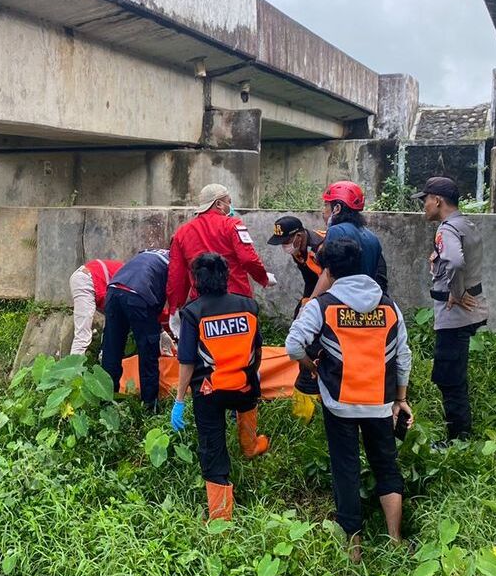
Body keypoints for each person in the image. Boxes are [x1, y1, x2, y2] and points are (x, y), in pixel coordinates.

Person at [285, 238, 413, 562]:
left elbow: (293, 344)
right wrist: (400, 399)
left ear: (328, 272)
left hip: (339, 403)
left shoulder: (322, 306)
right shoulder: (389, 306)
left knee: (346, 469)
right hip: (380, 403)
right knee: (386, 465)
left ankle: (353, 548)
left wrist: (311, 366)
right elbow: (403, 356)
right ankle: (395, 538)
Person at [169, 253, 269, 521]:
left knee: (212, 448)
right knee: (247, 406)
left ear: (196, 280)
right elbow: (258, 349)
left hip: (209, 392)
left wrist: (179, 400)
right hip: (245, 388)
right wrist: (250, 377)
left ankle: (221, 518)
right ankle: (250, 447)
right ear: (226, 277)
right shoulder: (248, 306)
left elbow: (187, 360)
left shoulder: (193, 312)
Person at [413, 176, 488, 445]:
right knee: (454, 374)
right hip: (468, 312)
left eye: (425, 200)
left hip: (454, 316)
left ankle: (458, 439)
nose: (423, 206)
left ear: (437, 200)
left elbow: (455, 262)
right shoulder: (466, 224)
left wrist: (456, 293)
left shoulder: (446, 230)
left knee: (449, 377)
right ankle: (459, 434)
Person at [167, 183, 271, 315]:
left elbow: (176, 276)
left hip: (201, 305)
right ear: (219, 204)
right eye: (229, 202)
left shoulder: (181, 233)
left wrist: (174, 308)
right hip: (236, 300)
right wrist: (263, 278)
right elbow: (248, 259)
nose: (230, 206)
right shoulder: (233, 225)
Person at [266, 216, 327, 416]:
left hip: (336, 292)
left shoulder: (320, 248)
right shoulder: (298, 251)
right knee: (298, 320)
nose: (284, 246)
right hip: (318, 291)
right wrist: (305, 303)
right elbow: (310, 280)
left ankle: (315, 371)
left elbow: (331, 279)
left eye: (286, 241)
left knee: (317, 336)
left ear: (299, 236)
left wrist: (313, 305)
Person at [100, 249, 171, 412]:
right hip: (138, 295)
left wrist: (159, 329)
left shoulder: (149, 253)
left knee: (112, 349)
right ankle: (149, 407)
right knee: (148, 351)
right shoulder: (173, 263)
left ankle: (106, 403)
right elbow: (172, 298)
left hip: (113, 291)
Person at [308, 181, 387, 298]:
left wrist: (310, 302)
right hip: (367, 299)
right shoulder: (372, 237)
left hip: (343, 299)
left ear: (337, 208)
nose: (323, 211)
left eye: (326, 205)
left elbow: (328, 274)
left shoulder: (336, 231)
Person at [68, 259, 124, 356]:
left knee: (111, 330)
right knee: (82, 336)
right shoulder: (135, 281)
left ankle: (104, 360)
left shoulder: (130, 274)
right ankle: (73, 365)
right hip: (87, 279)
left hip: (88, 277)